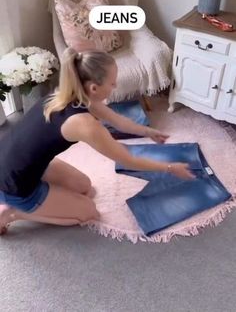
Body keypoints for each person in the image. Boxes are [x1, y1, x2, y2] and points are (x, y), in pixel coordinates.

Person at [0, 48, 194, 235]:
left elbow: (117, 121)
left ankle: (35, 199)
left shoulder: (68, 93)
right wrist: (170, 168)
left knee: (86, 187)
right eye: (112, 83)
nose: (115, 86)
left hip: (18, 164)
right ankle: (11, 212)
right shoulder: (83, 124)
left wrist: (147, 131)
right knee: (89, 212)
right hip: (15, 186)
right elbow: (128, 159)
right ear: (94, 87)